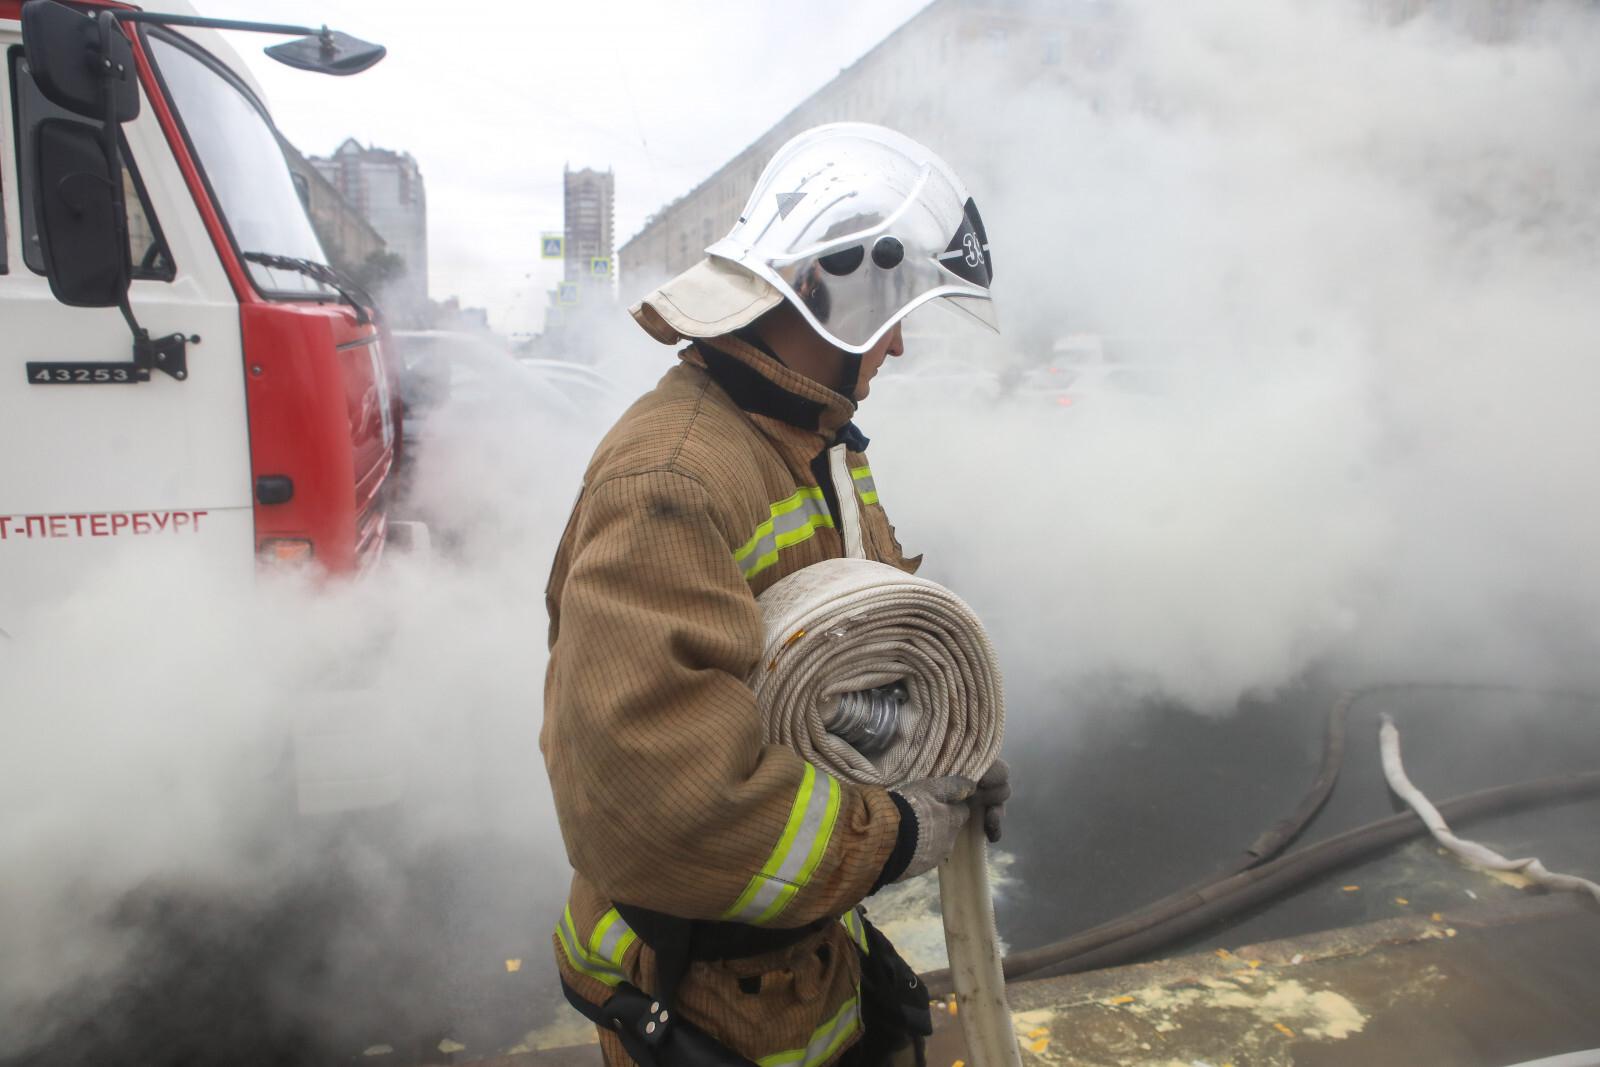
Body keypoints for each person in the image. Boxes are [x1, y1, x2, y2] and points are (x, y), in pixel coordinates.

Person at [541, 123, 1010, 1067]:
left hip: (799, 977)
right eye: (896, 315)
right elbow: (661, 801)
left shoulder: (808, 441)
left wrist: (943, 754)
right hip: (704, 996)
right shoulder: (672, 476)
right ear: (840, 288)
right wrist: (898, 831)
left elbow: (846, 667)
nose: (900, 345)